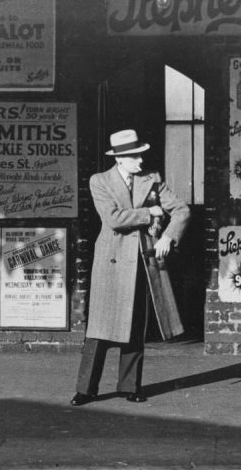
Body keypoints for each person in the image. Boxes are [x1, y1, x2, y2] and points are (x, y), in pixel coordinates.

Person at [71, 129, 190, 406]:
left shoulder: (152, 180)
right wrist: (150, 213)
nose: (140, 160)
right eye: (134, 156)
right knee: (99, 328)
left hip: (141, 260)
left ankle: (129, 386)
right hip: (110, 261)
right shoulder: (100, 181)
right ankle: (86, 389)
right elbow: (113, 219)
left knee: (135, 324)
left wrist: (168, 236)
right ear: (120, 159)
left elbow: (182, 210)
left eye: (140, 155)